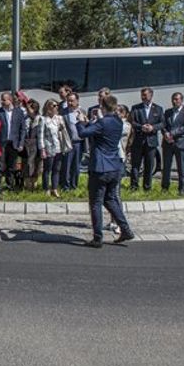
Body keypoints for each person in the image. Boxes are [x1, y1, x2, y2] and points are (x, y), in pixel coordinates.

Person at [76, 95, 135, 248]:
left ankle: (97, 237)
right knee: (110, 199)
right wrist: (92, 122)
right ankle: (126, 229)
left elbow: (83, 133)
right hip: (114, 166)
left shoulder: (102, 122)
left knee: (95, 202)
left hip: (100, 167)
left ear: (102, 106)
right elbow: (99, 130)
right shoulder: (117, 121)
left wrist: (80, 121)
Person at [129, 87, 163, 191]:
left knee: (149, 165)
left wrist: (153, 128)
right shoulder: (136, 108)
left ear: (151, 95)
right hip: (138, 141)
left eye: (145, 95)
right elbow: (132, 121)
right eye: (142, 95)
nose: (143, 97)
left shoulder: (158, 108)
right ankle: (134, 187)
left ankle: (147, 187)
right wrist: (141, 127)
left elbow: (162, 123)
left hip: (151, 141)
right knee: (135, 165)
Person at [161, 92, 184, 195]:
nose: (174, 101)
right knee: (166, 167)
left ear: (181, 100)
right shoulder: (167, 112)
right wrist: (165, 133)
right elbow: (163, 125)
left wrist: (171, 133)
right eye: (173, 99)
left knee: (181, 167)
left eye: (176, 99)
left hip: (181, 142)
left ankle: (182, 189)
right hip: (168, 143)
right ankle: (165, 188)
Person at [0, 92, 26, 194]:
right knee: (0, 166)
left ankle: (10, 186)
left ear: (10, 100)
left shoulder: (19, 112)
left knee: (11, 166)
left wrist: (21, 143)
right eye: (1, 99)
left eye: (4, 99)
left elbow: (22, 129)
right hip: (1, 143)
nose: (2, 102)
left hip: (14, 143)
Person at [38, 99, 67, 197]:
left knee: (57, 169)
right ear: (48, 107)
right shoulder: (43, 119)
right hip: (48, 147)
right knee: (47, 169)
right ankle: (46, 188)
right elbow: (40, 135)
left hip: (58, 146)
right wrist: (42, 149)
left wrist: (62, 127)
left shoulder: (59, 118)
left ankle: (54, 188)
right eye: (54, 105)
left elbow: (63, 133)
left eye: (57, 105)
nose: (56, 107)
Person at [64, 92, 87, 191]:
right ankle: (65, 186)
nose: (69, 102)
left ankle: (74, 186)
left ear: (77, 101)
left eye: (72, 100)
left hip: (79, 143)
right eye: (68, 100)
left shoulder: (82, 111)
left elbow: (86, 126)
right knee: (67, 166)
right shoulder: (63, 112)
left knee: (76, 166)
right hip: (68, 142)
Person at [22, 98, 42, 191]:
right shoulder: (24, 118)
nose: (27, 109)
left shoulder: (40, 119)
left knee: (36, 164)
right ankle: (27, 185)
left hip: (36, 144)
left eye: (29, 107)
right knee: (26, 164)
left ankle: (34, 185)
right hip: (26, 144)